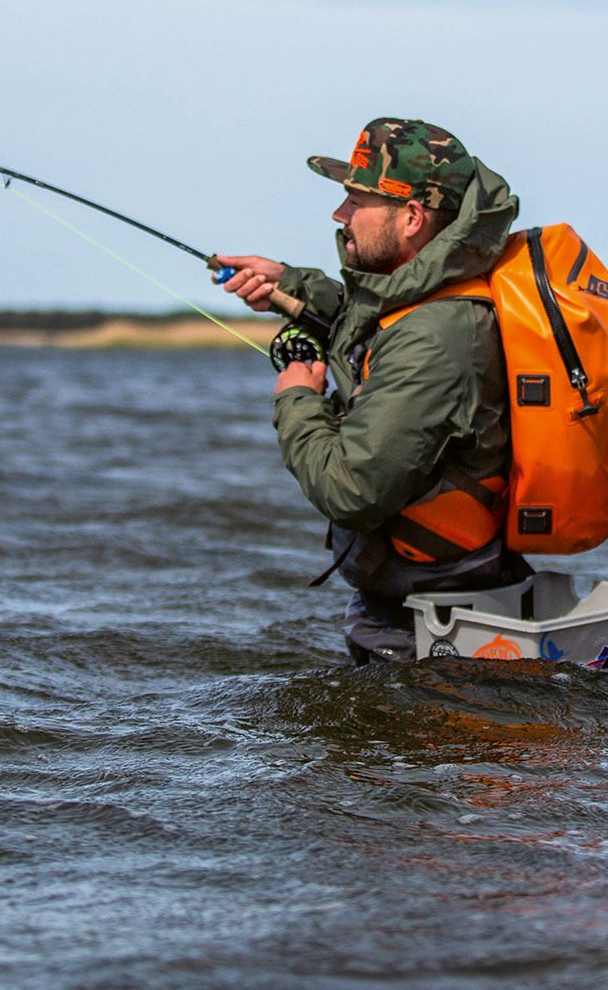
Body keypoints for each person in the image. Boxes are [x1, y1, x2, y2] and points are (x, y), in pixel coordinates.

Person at [215, 118, 529, 664]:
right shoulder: (432, 303)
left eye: (356, 201)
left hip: (438, 628)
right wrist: (288, 285)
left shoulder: (437, 336)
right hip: (420, 606)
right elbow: (374, 324)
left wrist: (297, 396)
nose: (339, 217)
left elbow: (349, 491)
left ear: (411, 217)